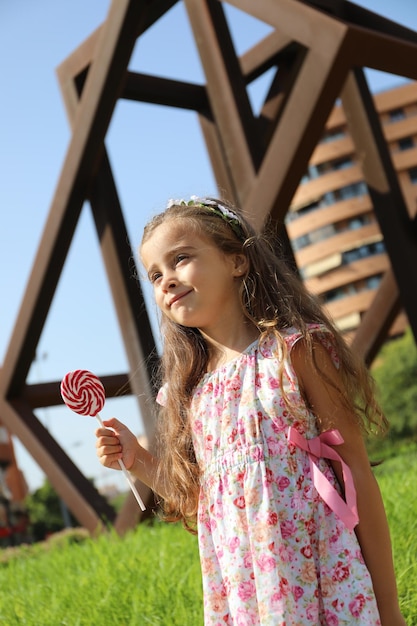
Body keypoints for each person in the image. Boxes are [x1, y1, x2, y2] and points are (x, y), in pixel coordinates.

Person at [95, 196, 406, 625]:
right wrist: (137, 459)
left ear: (236, 261)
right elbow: (204, 501)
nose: (166, 280)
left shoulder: (295, 352)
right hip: (245, 598)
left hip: (321, 584)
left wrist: (388, 610)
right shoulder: (188, 392)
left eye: (180, 258)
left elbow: (355, 469)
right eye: (155, 274)